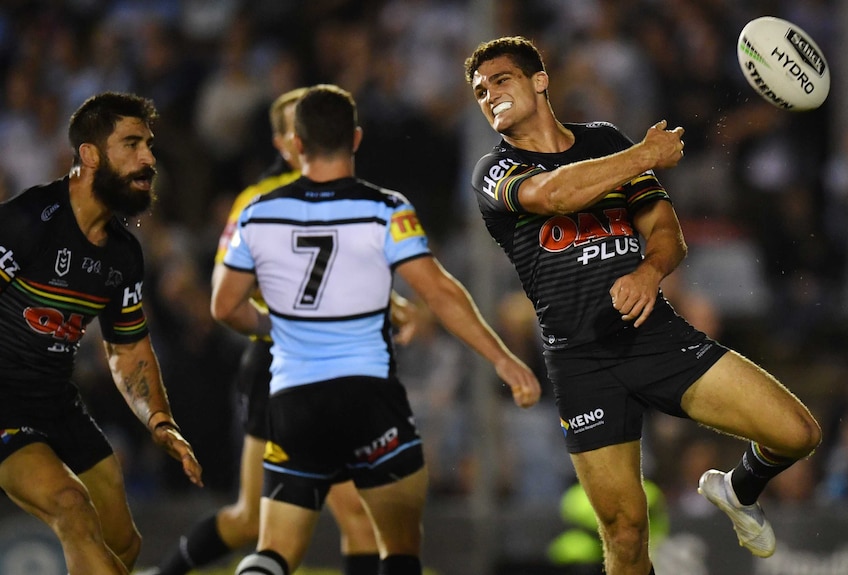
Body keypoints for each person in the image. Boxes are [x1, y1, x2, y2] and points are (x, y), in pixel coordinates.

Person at [463, 36, 821, 575]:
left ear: (540, 81)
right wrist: (645, 154)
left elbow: (666, 232)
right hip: (582, 362)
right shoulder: (493, 169)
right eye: (479, 91)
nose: (489, 95)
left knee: (798, 434)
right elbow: (555, 195)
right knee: (626, 534)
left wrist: (649, 272)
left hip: (655, 337)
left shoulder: (604, 140)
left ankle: (739, 489)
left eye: (501, 80)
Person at [211, 84, 542, 575]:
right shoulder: (385, 209)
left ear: (296, 144)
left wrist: (277, 327)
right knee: (399, 547)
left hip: (294, 400)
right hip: (369, 398)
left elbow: (223, 306)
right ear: (357, 139)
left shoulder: (259, 213)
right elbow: (440, 293)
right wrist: (502, 359)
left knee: (275, 549)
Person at [146, 87, 416, 575]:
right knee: (254, 521)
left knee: (353, 518)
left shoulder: (341, 191)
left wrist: (388, 304)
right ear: (282, 140)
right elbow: (227, 290)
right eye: (296, 125)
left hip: (327, 368)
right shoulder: (258, 200)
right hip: (279, 363)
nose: (305, 133)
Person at [0, 91, 203, 575]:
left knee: (121, 545)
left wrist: (160, 420)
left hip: (56, 403)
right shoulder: (27, 222)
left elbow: (128, 349)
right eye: (132, 144)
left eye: (149, 146)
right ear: (89, 155)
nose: (148, 158)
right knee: (71, 505)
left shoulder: (123, 256)